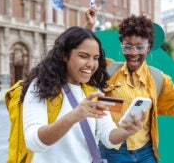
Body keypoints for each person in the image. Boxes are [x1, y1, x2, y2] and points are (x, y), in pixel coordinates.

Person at [84, 7, 174, 163]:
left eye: (140, 47)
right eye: (127, 46)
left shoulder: (158, 78)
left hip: (146, 152)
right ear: (121, 46)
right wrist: (88, 27)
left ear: (149, 47)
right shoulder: (108, 69)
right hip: (114, 151)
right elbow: (83, 57)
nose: (133, 52)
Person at [19, 26, 145, 163]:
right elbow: (33, 142)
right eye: (83, 56)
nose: (91, 64)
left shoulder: (94, 90)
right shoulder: (41, 85)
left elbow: (107, 136)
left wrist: (127, 131)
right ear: (65, 55)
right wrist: (75, 115)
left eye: (95, 58)